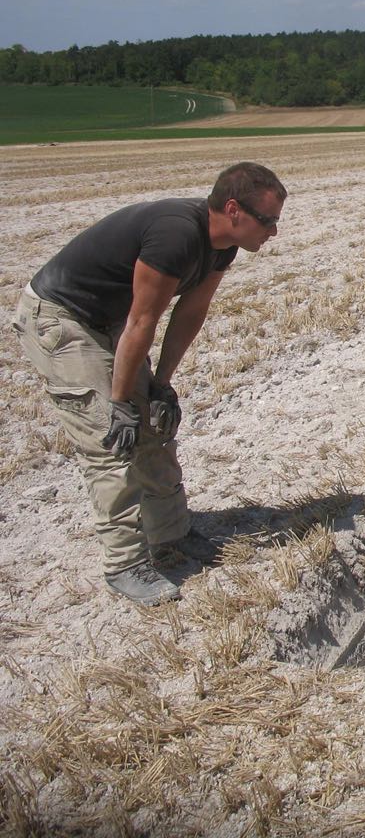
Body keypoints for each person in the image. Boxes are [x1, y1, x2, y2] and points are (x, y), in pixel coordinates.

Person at [12, 162, 287, 606]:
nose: (274, 231)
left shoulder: (223, 248)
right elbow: (143, 320)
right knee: (111, 438)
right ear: (233, 210)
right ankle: (124, 565)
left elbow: (189, 314)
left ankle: (171, 536)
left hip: (109, 321)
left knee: (155, 426)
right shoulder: (176, 235)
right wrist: (120, 401)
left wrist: (161, 385)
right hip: (63, 319)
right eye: (268, 220)